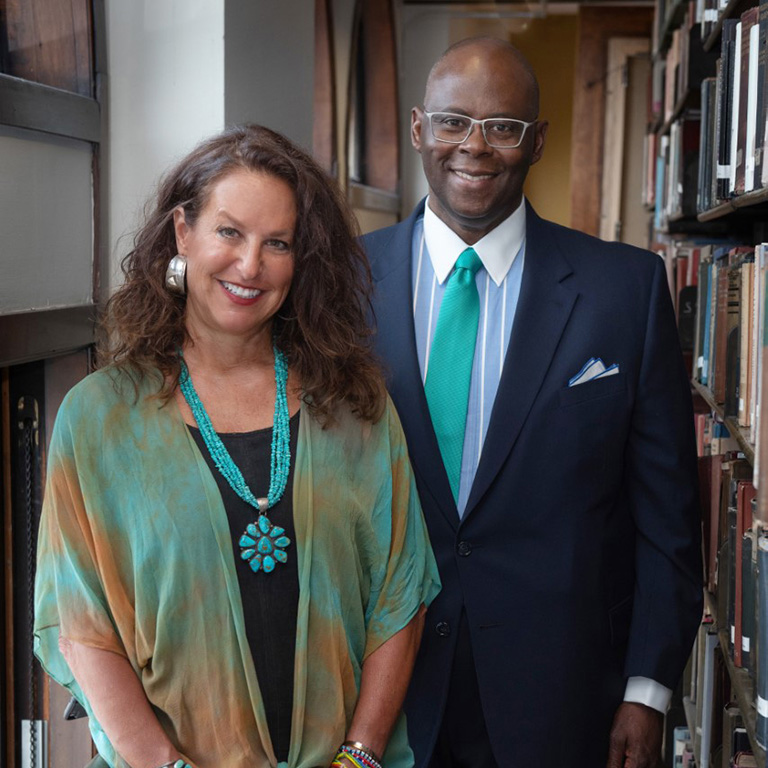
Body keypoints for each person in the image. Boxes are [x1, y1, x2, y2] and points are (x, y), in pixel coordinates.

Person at [34, 124, 440, 768]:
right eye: (230, 232)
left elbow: (400, 595)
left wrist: (359, 757)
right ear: (182, 232)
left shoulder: (354, 403)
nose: (251, 265)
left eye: (277, 243)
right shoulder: (99, 418)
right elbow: (83, 627)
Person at [362, 38, 702, 768]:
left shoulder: (626, 292)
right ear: (419, 128)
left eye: (503, 127)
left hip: (563, 697)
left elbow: (667, 517)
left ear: (537, 140)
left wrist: (647, 692)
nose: (474, 147)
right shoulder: (342, 282)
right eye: (454, 122)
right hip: (374, 685)